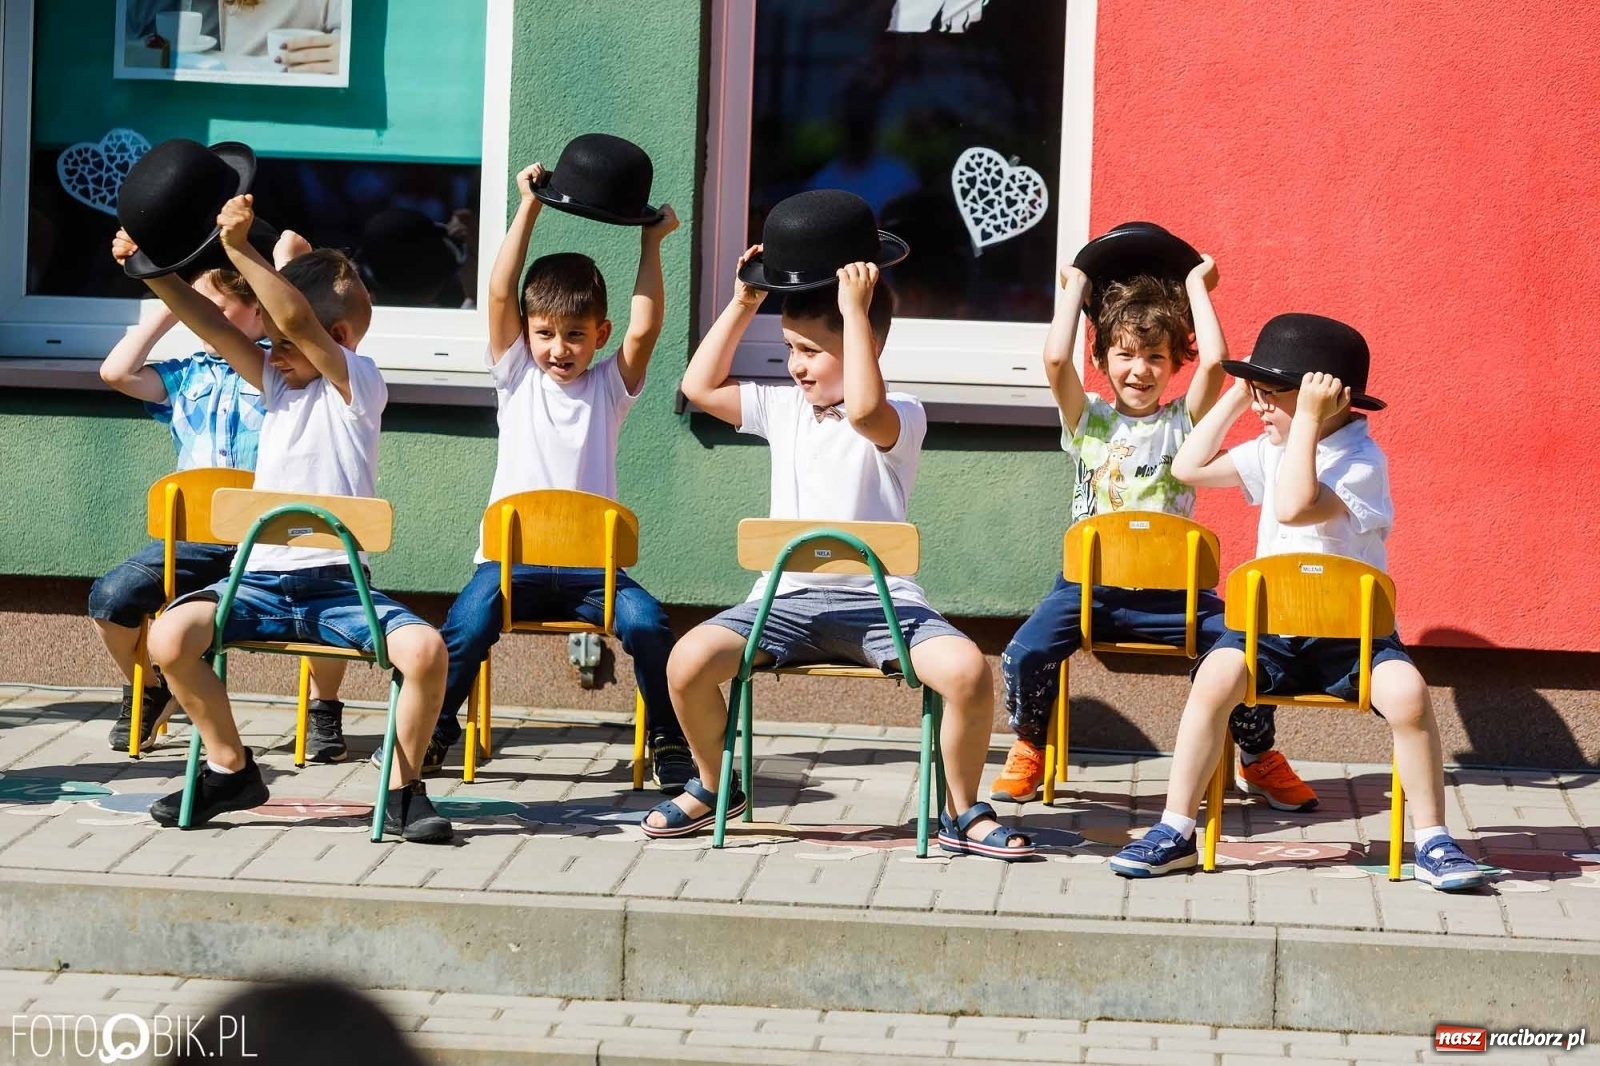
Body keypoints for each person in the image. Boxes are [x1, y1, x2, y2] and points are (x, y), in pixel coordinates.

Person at [648, 189, 1032, 860]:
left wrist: (856, 313)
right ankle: (716, 784)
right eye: (789, 349)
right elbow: (699, 387)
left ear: (866, 345)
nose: (796, 365)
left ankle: (962, 809)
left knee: (968, 672)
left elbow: (862, 411)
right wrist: (744, 303)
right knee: (686, 663)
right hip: (783, 604)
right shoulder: (783, 408)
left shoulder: (901, 414)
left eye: (811, 351)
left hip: (883, 607)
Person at [1109, 314, 1484, 891]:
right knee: (1213, 678)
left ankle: (1433, 840)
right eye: (1257, 391)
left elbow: (1294, 505)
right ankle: (1176, 829)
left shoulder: (1362, 462)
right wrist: (1240, 397)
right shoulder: (1272, 447)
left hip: (1352, 642)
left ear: (1329, 399)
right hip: (1270, 636)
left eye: (1273, 393)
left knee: (1408, 696)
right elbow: (1186, 468)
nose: (1262, 406)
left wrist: (1304, 420)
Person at [135, 193, 453, 843]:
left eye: (282, 343)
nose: (272, 352)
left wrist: (240, 249)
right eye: (271, 344)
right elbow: (213, 325)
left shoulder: (358, 384)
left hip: (340, 590)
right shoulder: (278, 381)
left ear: (339, 339)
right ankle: (230, 770)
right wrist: (149, 268)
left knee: (425, 651)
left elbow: (296, 321)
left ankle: (402, 791)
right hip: (256, 584)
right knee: (169, 639)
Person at [988, 248, 1317, 814]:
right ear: (1102, 357)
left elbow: (1216, 362)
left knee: (1246, 651)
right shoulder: (1088, 419)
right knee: (1025, 651)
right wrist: (1077, 284)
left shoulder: (1181, 423)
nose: (1139, 369)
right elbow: (1055, 360)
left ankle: (1258, 756)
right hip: (1088, 591)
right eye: (1125, 354)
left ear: (1171, 363)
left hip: (1175, 597)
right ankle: (1029, 744)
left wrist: (1196, 284)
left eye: (1155, 357)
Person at [421, 161, 693, 790]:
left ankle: (669, 738)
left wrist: (652, 241)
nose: (558, 348)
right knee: (463, 626)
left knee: (649, 625)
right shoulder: (516, 376)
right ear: (527, 332)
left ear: (599, 334)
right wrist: (529, 206)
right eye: (544, 333)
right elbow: (499, 294)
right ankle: (435, 727)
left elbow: (646, 327)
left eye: (574, 335)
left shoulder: (609, 388)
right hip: (508, 566)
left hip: (592, 575)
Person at [92, 231, 347, 757]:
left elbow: (315, 340)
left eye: (216, 308)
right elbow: (116, 373)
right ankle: (152, 688)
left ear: (257, 311)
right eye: (197, 306)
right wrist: (171, 304)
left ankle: (324, 709)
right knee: (111, 598)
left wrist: (283, 270)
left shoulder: (284, 371)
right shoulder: (186, 375)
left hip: (269, 540)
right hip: (194, 541)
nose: (201, 317)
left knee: (325, 593)